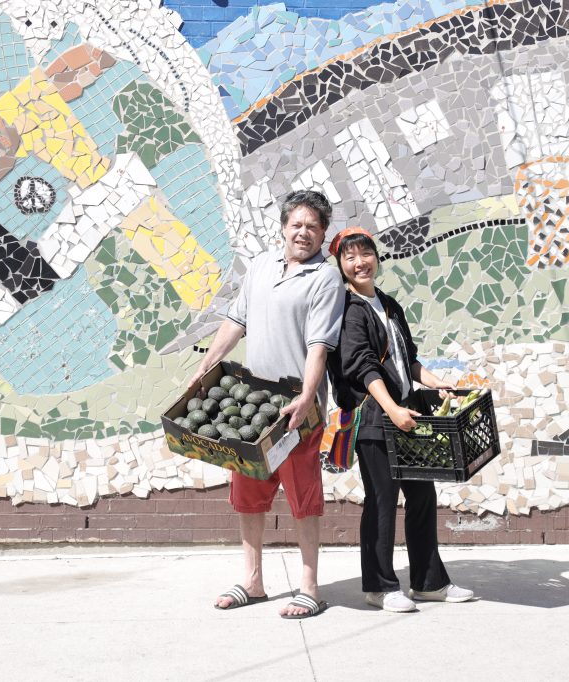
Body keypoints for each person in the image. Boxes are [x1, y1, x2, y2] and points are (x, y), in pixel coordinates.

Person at [189, 189, 344, 619]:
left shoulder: (325, 279)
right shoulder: (260, 267)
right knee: (249, 494)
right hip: (254, 405)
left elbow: (319, 346)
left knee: (304, 496)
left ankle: (309, 588)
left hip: (297, 410)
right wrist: (207, 365)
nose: (303, 232)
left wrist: (307, 396)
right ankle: (253, 582)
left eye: (313, 226)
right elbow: (235, 321)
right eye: (296, 224)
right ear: (283, 227)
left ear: (323, 233)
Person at [327, 226, 474, 612]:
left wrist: (438, 383)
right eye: (350, 257)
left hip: (408, 413)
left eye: (365, 254)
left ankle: (428, 582)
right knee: (382, 500)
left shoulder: (389, 305)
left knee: (423, 496)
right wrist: (391, 407)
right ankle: (379, 585)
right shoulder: (348, 310)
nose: (359, 262)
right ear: (341, 266)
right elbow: (360, 367)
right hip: (376, 418)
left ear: (377, 257)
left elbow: (407, 360)